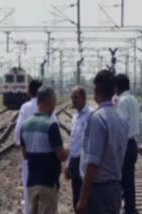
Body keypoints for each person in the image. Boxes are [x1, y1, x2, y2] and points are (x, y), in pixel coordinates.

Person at [77, 70, 128, 214]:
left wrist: (83, 198)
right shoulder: (122, 120)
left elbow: (93, 162)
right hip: (115, 189)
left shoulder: (97, 119)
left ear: (96, 90)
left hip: (98, 191)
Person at [20, 85, 69, 214]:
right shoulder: (51, 125)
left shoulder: (25, 125)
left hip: (31, 182)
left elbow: (25, 155)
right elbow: (62, 156)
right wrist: (67, 147)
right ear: (50, 102)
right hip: (48, 182)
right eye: (54, 102)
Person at [15, 80, 57, 214]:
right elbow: (55, 129)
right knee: (47, 199)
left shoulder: (25, 107)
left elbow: (18, 132)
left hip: (30, 159)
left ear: (29, 92)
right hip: (48, 161)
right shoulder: (49, 108)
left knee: (30, 195)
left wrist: (23, 147)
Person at [115, 74, 142, 214]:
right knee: (129, 179)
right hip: (133, 143)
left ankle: (125, 208)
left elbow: (122, 125)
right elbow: (140, 124)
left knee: (121, 179)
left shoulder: (122, 101)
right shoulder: (134, 100)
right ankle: (130, 208)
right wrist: (138, 143)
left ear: (117, 87)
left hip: (125, 144)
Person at [64, 86, 93, 211]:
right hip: (75, 161)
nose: (73, 100)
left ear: (84, 98)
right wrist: (68, 163)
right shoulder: (75, 117)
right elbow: (73, 141)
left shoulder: (91, 115)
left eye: (76, 97)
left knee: (86, 199)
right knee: (76, 197)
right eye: (72, 97)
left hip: (85, 162)